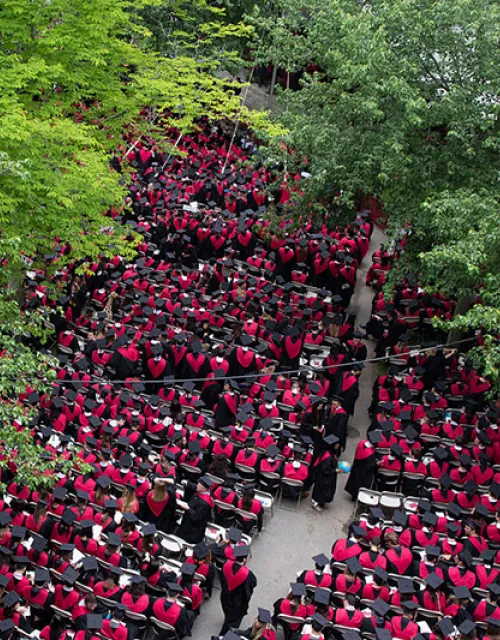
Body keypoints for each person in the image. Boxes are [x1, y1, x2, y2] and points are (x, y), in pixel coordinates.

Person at [219, 545, 257, 635]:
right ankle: (223, 634)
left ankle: (227, 621)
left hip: (225, 596)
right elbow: (253, 584)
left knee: (227, 613)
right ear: (244, 559)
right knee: (231, 620)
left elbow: (222, 579)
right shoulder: (247, 574)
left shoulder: (226, 565)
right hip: (237, 602)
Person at [307, 434, 343, 511]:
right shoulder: (328, 457)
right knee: (321, 490)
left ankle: (323, 501)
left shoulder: (328, 452)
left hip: (327, 477)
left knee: (326, 490)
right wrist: (335, 470)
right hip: (323, 477)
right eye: (336, 444)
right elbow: (325, 470)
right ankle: (315, 503)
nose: (337, 446)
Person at [176, 476, 214, 544]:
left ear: (205, 489)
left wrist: (188, 508)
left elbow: (197, 517)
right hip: (187, 523)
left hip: (193, 530)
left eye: (199, 485)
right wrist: (187, 483)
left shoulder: (205, 503)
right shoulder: (201, 492)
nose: (197, 485)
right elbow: (194, 487)